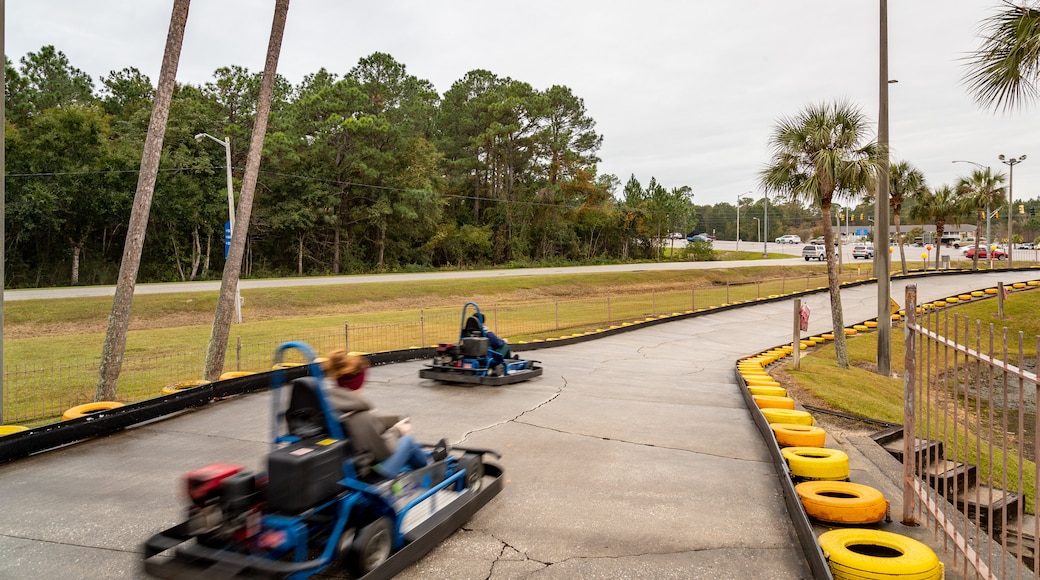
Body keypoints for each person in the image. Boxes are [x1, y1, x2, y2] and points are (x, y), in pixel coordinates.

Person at [321, 349, 439, 478]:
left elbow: (368, 430)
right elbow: (383, 451)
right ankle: (432, 469)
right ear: (359, 381)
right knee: (408, 441)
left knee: (399, 435)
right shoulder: (359, 416)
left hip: (346, 465)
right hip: (371, 473)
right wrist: (398, 431)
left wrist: (392, 423)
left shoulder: (331, 405)